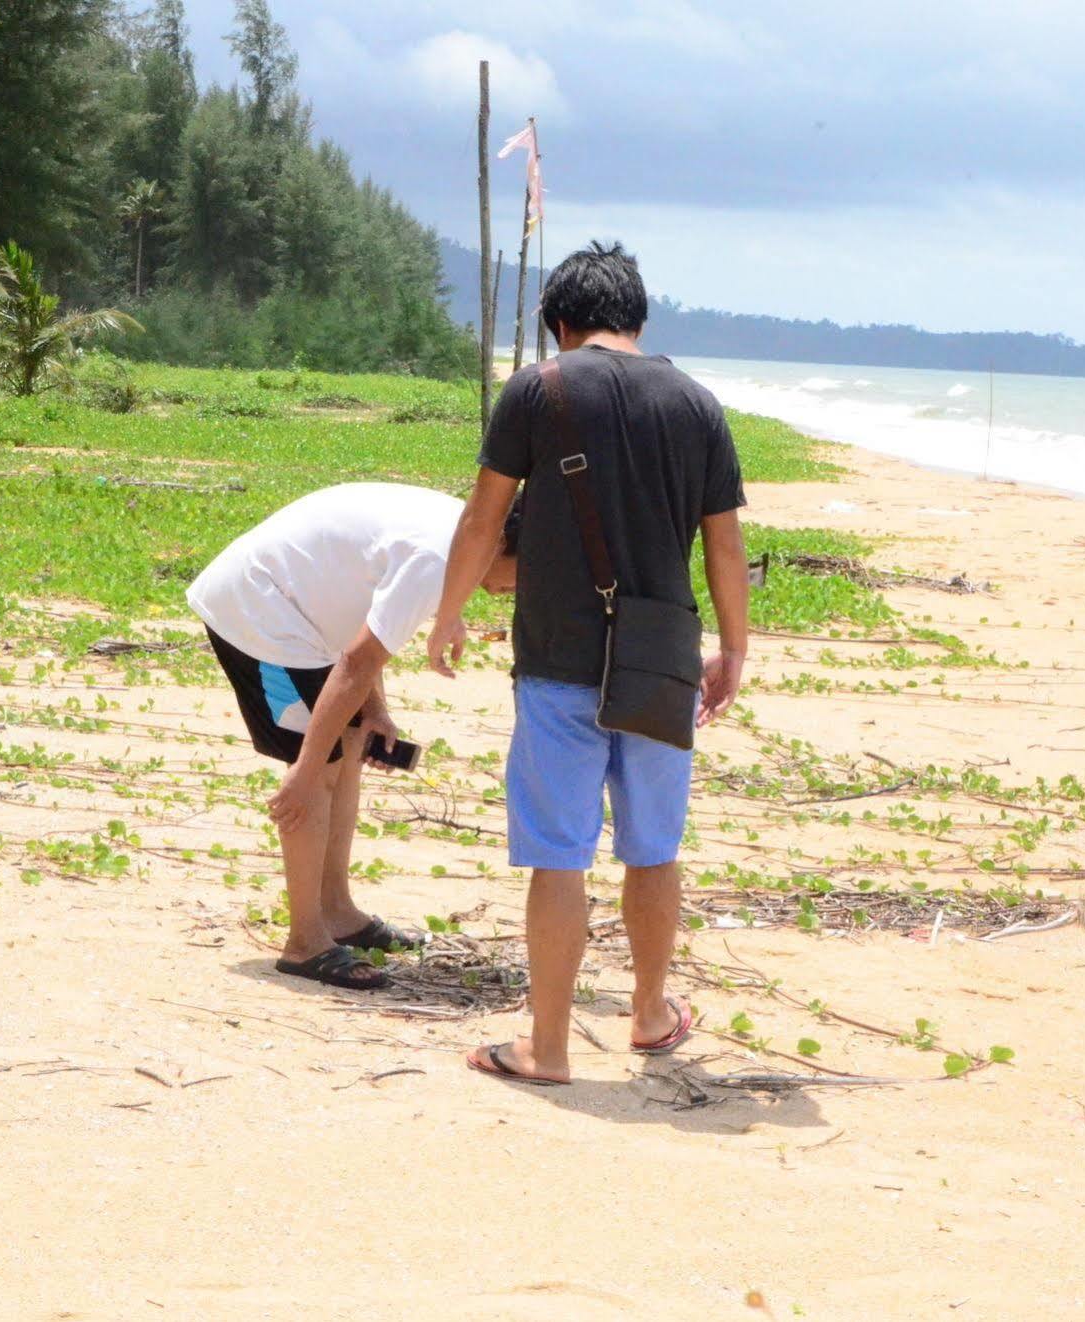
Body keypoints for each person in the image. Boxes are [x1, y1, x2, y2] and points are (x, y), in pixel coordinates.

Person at [428, 242, 750, 1083]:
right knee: (652, 847)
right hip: (662, 660)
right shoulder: (698, 404)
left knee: (558, 852)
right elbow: (724, 544)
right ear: (637, 318)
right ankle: (648, 1012)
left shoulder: (539, 389)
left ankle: (551, 1046)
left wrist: (449, 612)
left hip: (558, 657)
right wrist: (734, 649)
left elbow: (481, 518)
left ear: (559, 323)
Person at [188, 482, 520, 990]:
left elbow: (364, 628)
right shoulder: (435, 558)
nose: (512, 590)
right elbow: (358, 659)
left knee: (346, 749)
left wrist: (376, 712)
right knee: (316, 770)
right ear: (501, 545)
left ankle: (338, 913)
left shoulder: (462, 535)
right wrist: (302, 769)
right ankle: (304, 942)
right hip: (260, 613)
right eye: (524, 573)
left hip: (304, 615)